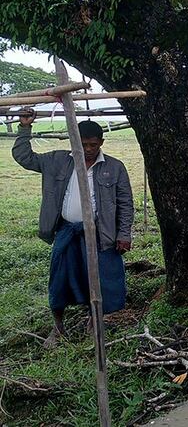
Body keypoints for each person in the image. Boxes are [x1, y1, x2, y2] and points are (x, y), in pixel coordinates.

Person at [12, 111, 133, 348]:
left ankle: (93, 323)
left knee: (98, 280)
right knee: (60, 280)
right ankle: (58, 328)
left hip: (101, 235)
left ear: (101, 143)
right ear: (73, 140)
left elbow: (125, 203)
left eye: (92, 144)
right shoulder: (56, 160)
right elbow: (24, 157)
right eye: (82, 143)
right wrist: (25, 128)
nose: (87, 149)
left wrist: (124, 233)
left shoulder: (114, 168)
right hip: (67, 232)